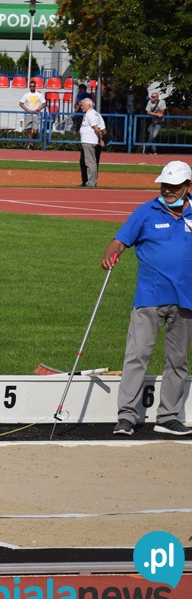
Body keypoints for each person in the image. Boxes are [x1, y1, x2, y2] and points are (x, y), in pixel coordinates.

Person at [101, 161, 192, 436]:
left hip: (186, 300)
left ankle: (167, 417)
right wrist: (111, 253)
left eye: (174, 186)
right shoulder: (145, 212)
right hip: (149, 297)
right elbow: (119, 241)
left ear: (188, 186)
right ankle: (126, 417)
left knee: (177, 360)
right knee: (137, 355)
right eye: (165, 185)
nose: (168, 190)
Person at [78, 97, 106, 188]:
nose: (81, 107)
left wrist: (100, 139)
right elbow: (102, 129)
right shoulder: (96, 114)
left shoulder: (90, 114)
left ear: (89, 106)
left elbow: (96, 128)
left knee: (90, 163)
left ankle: (91, 182)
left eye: (83, 105)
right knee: (86, 162)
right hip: (89, 141)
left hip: (89, 141)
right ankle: (87, 181)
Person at [19, 81, 46, 150]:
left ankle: (32, 143)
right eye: (31, 86)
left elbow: (44, 103)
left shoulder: (39, 95)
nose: (32, 87)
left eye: (33, 86)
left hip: (36, 114)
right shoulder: (26, 95)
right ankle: (31, 144)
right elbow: (21, 104)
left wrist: (37, 110)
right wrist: (28, 110)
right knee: (28, 130)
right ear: (29, 87)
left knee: (35, 131)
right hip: (28, 114)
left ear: (35, 86)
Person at [142, 90, 166, 155]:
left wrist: (153, 114)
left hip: (158, 121)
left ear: (156, 97)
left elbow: (162, 112)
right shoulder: (149, 102)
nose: (151, 98)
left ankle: (146, 146)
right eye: (151, 96)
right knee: (152, 135)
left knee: (154, 135)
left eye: (153, 97)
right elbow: (148, 112)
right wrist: (156, 114)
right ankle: (153, 150)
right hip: (151, 121)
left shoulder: (162, 102)